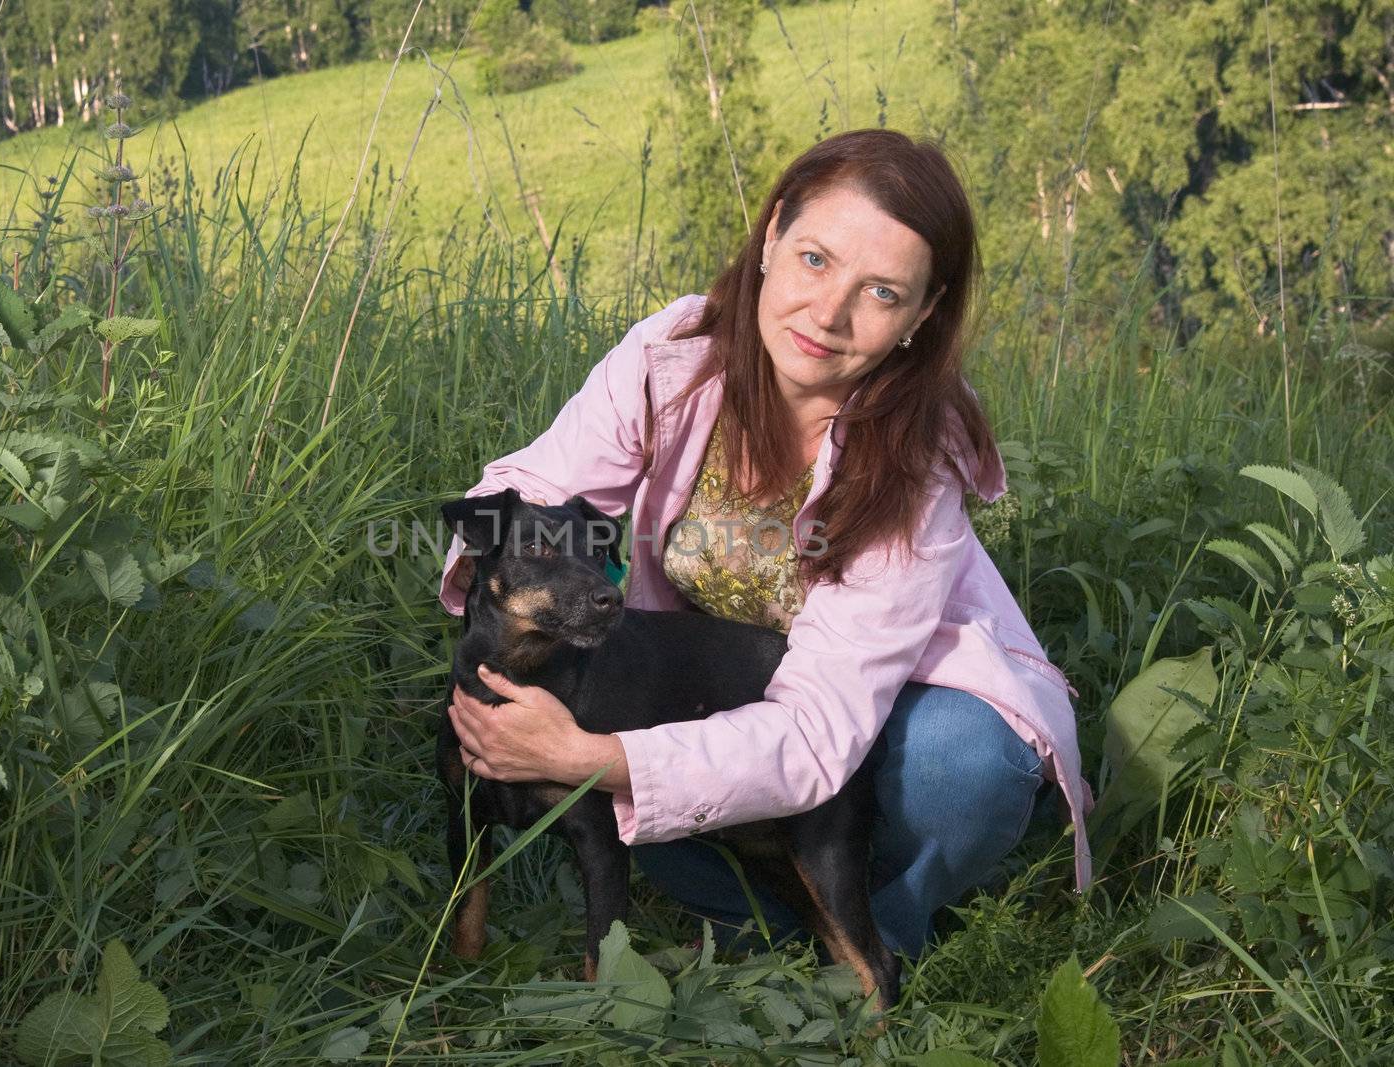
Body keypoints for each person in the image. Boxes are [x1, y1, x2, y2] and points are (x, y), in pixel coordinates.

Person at [437, 129, 1093, 960]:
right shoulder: (669, 358)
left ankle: (878, 928)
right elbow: (531, 491)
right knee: (657, 799)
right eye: (816, 259)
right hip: (708, 692)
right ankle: (789, 919)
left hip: (874, 712)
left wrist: (594, 757)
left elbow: (822, 726)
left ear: (921, 316)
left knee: (962, 766)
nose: (829, 314)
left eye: (882, 292)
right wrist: (497, 641)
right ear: (773, 233)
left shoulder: (915, 460)